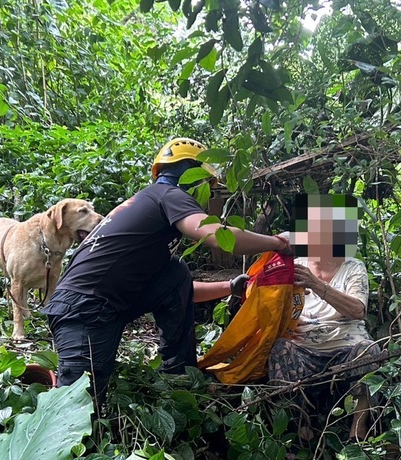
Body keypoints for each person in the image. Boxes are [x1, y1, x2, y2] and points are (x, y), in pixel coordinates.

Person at [42, 137, 290, 404]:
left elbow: (178, 288)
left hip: (99, 305)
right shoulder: (169, 195)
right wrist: (279, 243)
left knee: (174, 271)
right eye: (207, 185)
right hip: (84, 310)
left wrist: (230, 287)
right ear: (193, 178)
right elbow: (218, 237)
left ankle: (177, 374)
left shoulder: (146, 203)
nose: (207, 194)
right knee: (76, 406)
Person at [268, 194, 381, 440]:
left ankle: (358, 432)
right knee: (280, 349)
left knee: (368, 350)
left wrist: (318, 285)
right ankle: (300, 430)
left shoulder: (353, 267)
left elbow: (358, 310)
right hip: (304, 346)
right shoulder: (295, 265)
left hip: (345, 345)